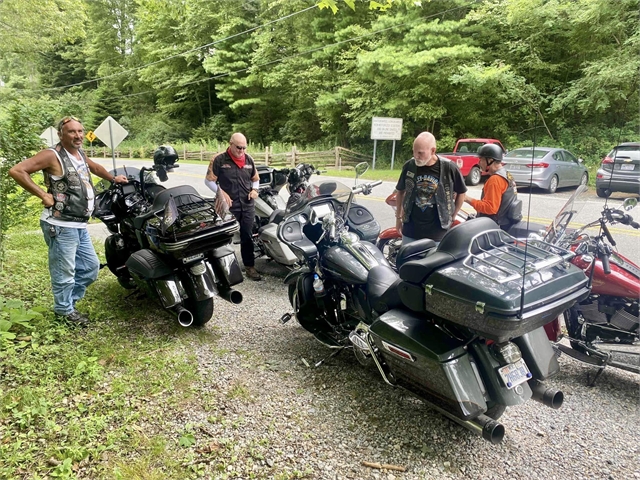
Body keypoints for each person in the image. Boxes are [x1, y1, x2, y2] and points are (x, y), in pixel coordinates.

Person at [8, 116, 128, 326]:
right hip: (60, 225)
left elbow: (95, 167)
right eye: (72, 132)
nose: (78, 135)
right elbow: (17, 170)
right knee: (64, 271)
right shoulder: (51, 155)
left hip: (79, 224)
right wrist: (43, 196)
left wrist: (113, 178)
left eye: (80, 131)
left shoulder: (79, 153)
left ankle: (66, 304)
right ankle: (64, 312)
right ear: (61, 134)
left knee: (90, 268)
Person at [204, 133, 262, 281]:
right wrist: (221, 193)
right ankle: (224, 268)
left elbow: (255, 179)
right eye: (238, 147)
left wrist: (255, 190)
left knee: (247, 236)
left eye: (244, 148)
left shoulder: (249, 160)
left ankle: (249, 266)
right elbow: (209, 181)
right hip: (228, 205)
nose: (241, 151)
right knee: (224, 237)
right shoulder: (219, 159)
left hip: (247, 204)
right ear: (230, 144)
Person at [395, 132, 467, 244]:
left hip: (437, 233)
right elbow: (400, 192)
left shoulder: (449, 168)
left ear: (433, 151)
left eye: (420, 153)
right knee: (407, 261)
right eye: (414, 151)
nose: (416, 156)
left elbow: (461, 192)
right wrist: (399, 218)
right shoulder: (409, 166)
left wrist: (453, 216)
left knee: (434, 261)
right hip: (411, 230)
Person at [464, 143, 521, 229]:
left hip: (494, 226)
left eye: (481, 159)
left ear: (490, 160)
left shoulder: (495, 180)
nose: (479, 162)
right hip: (506, 224)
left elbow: (490, 208)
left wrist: (467, 199)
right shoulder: (507, 175)